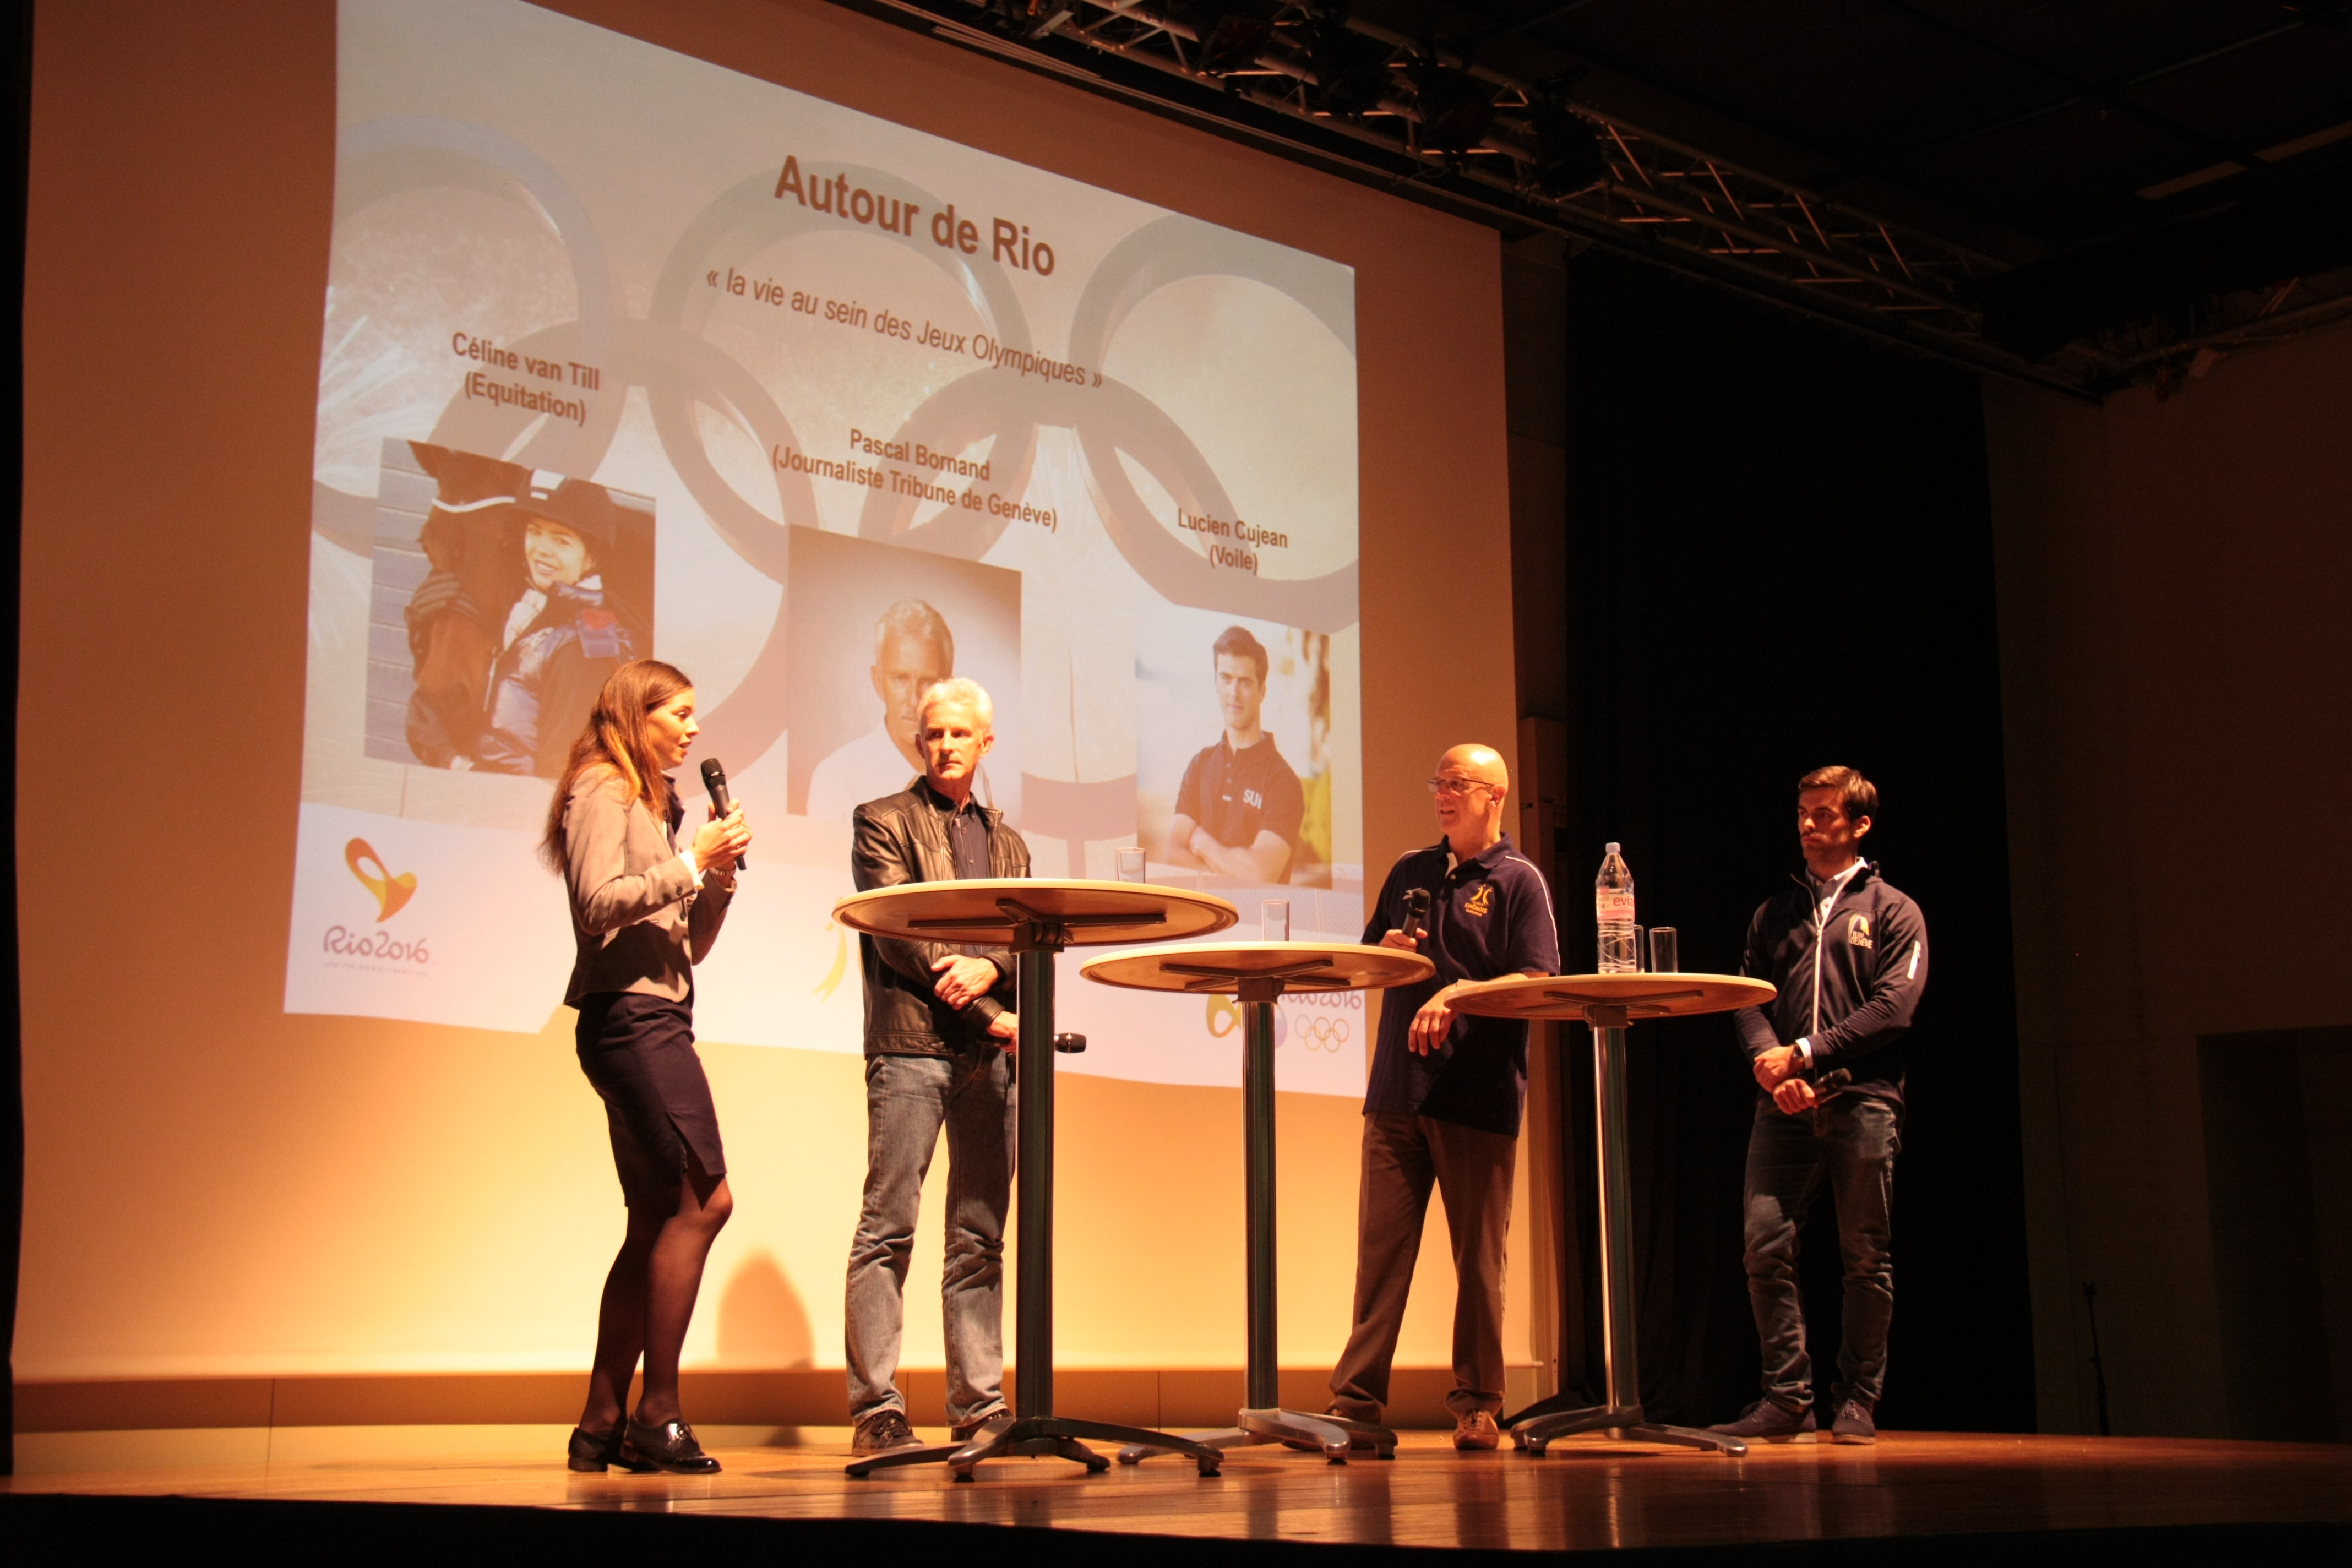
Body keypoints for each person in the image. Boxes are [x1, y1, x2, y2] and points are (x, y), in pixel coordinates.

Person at [546, 658, 752, 1475]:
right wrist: (691, 860)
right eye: (681, 713)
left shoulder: (652, 801)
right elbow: (597, 904)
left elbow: (688, 942)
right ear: (640, 713)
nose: (695, 729)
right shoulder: (602, 786)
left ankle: (600, 1422)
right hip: (631, 1019)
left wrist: (718, 879)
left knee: (655, 1217)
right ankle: (656, 1414)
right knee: (707, 1201)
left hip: (656, 1012)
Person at [1326, 744, 1559, 1450]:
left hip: (1475, 1096)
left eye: (1459, 782)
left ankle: (1479, 1403)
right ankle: (1355, 1403)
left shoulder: (1519, 880)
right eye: (1439, 781)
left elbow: (1538, 982)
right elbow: (1365, 964)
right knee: (1379, 1260)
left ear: (1496, 795)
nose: (1444, 793)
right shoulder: (1410, 869)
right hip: (1396, 1091)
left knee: (1478, 1265)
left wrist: (1460, 994)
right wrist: (1389, 952)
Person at [1710, 765, 1929, 1447]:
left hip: (1863, 1100)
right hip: (1783, 1103)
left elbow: (1894, 1008)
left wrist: (1803, 1054)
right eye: (1802, 813)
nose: (1808, 825)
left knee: (1865, 1256)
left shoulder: (1894, 910)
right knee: (1764, 1245)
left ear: (1861, 824)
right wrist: (1771, 1065)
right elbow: (1747, 998)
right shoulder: (1774, 912)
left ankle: (1858, 1399)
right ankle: (1787, 1398)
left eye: (1824, 814)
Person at [842, 677, 1030, 1457]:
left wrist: (994, 971)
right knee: (889, 1228)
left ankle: (980, 1406)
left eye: (959, 733)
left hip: (990, 1058)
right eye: (933, 734)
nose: (945, 746)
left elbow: (1026, 941)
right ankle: (876, 1411)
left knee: (980, 1238)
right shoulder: (882, 819)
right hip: (911, 1046)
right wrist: (986, 1004)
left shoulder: (1011, 844)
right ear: (919, 743)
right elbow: (898, 930)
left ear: (986, 742)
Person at [474, 477, 645, 777]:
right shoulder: (540, 611)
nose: (542, 550)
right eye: (534, 532)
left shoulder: (586, 645)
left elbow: (560, 775)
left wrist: (457, 764)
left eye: (561, 540)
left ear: (592, 558)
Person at [807, 599, 999, 820]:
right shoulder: (837, 777)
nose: (914, 700)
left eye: (928, 682)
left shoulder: (971, 775)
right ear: (878, 681)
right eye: (900, 679)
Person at [1165, 625, 1304, 883]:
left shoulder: (1283, 782)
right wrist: (1232, 869)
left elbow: (1259, 874)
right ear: (1216, 683)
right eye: (1226, 678)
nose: (1234, 693)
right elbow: (1174, 856)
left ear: (1262, 691)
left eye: (1245, 682)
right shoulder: (1200, 765)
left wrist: (1202, 842)